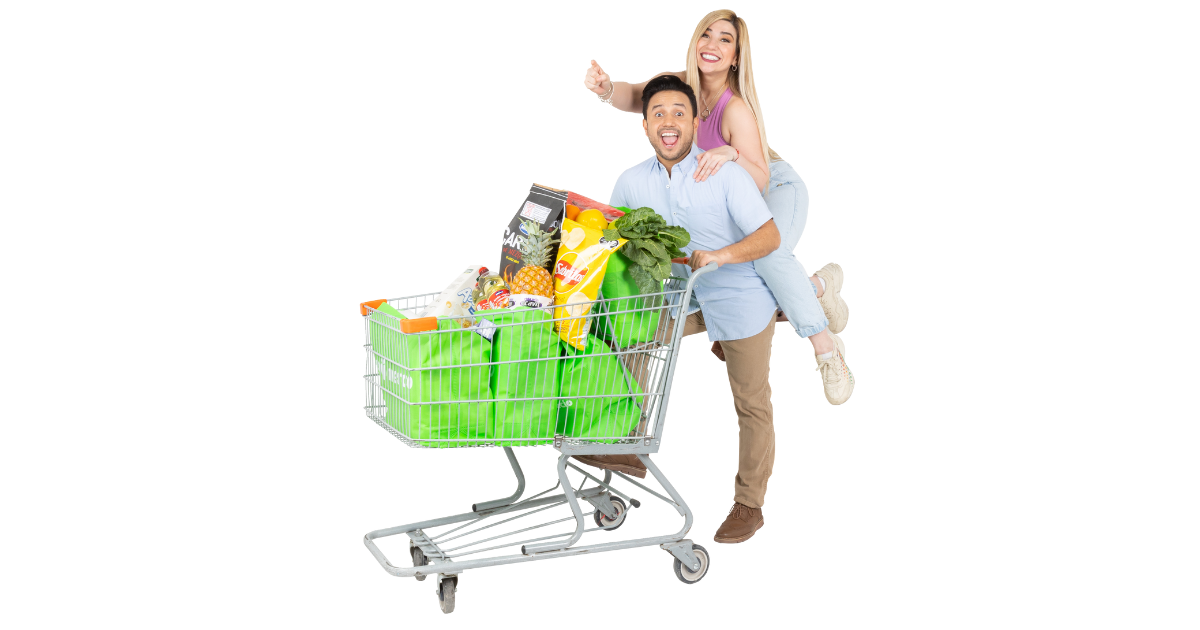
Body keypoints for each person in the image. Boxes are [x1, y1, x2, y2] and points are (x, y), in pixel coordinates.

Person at [577, 75, 847, 544]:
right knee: (624, 332)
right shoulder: (631, 181)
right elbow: (610, 243)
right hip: (682, 296)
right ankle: (628, 443)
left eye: (679, 113)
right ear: (644, 126)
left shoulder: (724, 174)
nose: (668, 122)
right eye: (658, 113)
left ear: (696, 123)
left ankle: (750, 503)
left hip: (740, 294)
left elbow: (769, 238)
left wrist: (721, 256)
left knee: (751, 401)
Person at [583, 10, 854, 405]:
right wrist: (606, 88)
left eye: (724, 40)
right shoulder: (679, 86)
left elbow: (759, 177)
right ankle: (817, 287)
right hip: (737, 191)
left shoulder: (735, 108)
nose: (711, 45)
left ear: (736, 56)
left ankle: (827, 348)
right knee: (745, 277)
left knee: (770, 257)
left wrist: (729, 153)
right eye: (705, 35)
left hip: (774, 184)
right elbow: (634, 96)